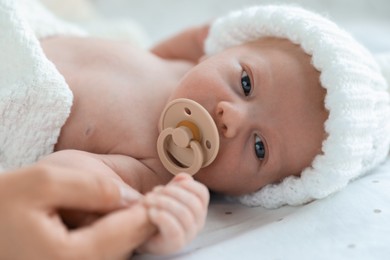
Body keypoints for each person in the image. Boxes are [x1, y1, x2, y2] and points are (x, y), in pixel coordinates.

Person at [2, 0, 390, 257]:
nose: (233, 119)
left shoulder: (161, 166)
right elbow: (170, 49)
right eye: (246, 84)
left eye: (259, 148)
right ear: (221, 49)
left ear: (258, 191)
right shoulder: (181, 62)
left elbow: (69, 181)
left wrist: (153, 220)